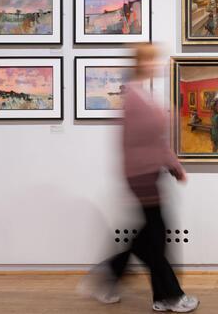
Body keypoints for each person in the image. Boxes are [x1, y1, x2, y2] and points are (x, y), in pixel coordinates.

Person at [79, 44, 199, 313]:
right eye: (149, 60)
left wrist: (174, 167)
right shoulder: (133, 98)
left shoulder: (144, 94)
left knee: (149, 238)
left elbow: (156, 141)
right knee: (155, 239)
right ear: (139, 63)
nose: (155, 64)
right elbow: (135, 145)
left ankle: (111, 276)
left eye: (155, 59)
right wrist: (166, 167)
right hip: (142, 177)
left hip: (150, 175)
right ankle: (169, 296)